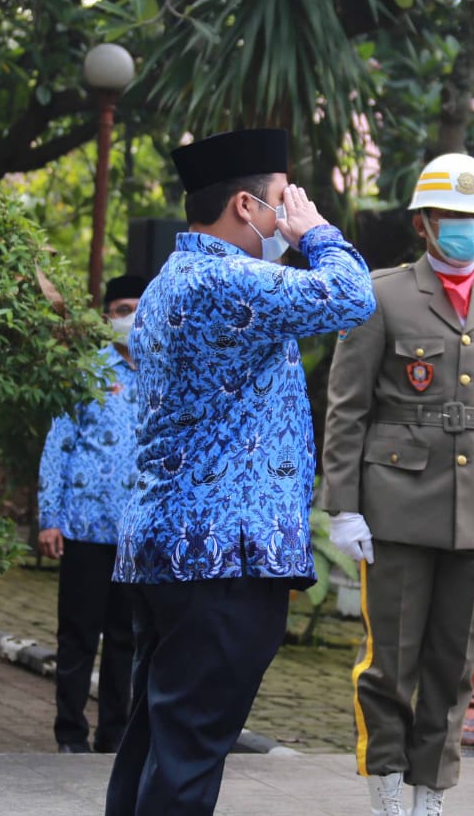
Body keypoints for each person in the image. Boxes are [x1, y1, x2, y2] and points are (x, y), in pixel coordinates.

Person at [105, 128, 376, 816]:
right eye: (284, 202)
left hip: (174, 550)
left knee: (157, 742)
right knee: (189, 754)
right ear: (248, 206)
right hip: (220, 559)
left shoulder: (177, 278)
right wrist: (317, 233)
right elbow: (352, 295)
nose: (291, 214)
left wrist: (293, 239)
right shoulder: (225, 279)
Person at [321, 153, 474, 816]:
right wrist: (343, 507)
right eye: (454, 217)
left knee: (454, 664)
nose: (467, 229)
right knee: (390, 660)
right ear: (424, 222)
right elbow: (347, 407)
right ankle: (386, 783)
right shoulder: (382, 293)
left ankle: (430, 793)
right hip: (394, 506)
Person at [36, 274, 147, 755]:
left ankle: (115, 735)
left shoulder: (164, 374)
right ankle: (70, 733)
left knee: (126, 639)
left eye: (141, 308)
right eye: (124, 308)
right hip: (83, 528)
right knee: (78, 635)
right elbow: (58, 446)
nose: (133, 318)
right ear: (106, 317)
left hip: (138, 536)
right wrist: (49, 517)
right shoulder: (85, 372)